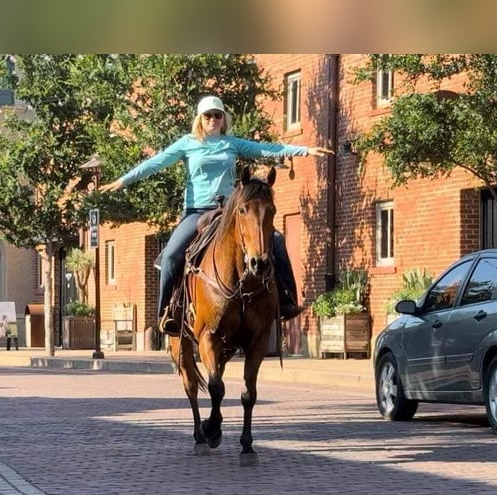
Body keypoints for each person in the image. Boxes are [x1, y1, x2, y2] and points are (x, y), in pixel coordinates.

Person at [101, 95, 332, 336]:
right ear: (200, 119)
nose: (213, 119)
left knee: (275, 240)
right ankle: (166, 312)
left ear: (224, 119)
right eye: (208, 115)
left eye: (217, 115)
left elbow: (267, 148)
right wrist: (124, 180)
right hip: (197, 211)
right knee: (170, 255)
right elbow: (155, 163)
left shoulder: (230, 143)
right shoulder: (187, 143)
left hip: (228, 211)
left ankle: (286, 301)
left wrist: (305, 150)